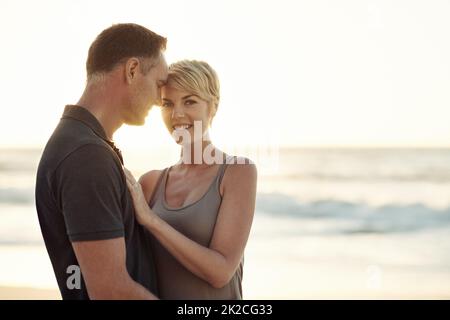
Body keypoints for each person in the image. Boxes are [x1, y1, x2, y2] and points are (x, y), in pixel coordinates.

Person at [35, 23, 168, 300]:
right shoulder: (86, 156)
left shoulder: (82, 143)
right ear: (132, 70)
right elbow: (110, 291)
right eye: (158, 84)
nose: (160, 99)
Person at [124, 60, 257, 299]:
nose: (177, 114)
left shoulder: (238, 172)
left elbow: (221, 271)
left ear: (213, 107)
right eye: (167, 103)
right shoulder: (150, 184)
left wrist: (151, 220)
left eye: (190, 101)